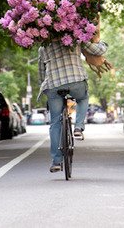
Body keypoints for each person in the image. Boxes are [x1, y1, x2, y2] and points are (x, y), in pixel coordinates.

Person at [38, 25, 108, 173]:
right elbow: (98, 50)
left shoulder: (43, 47)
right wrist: (102, 43)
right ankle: (78, 127)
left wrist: (45, 89)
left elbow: (41, 73)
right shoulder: (75, 38)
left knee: (55, 122)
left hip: (53, 85)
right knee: (83, 99)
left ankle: (56, 161)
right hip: (76, 80)